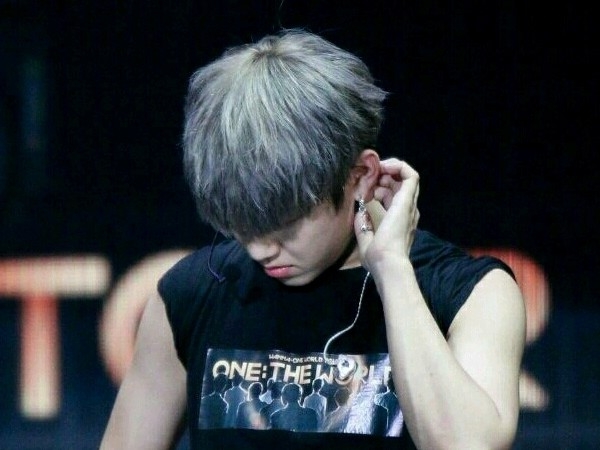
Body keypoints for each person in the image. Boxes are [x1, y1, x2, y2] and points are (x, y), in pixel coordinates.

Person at [100, 29, 525, 449]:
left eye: (285, 224)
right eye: (243, 224)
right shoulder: (189, 296)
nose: (261, 249)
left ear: (360, 176)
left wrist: (393, 271)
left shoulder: (469, 293)